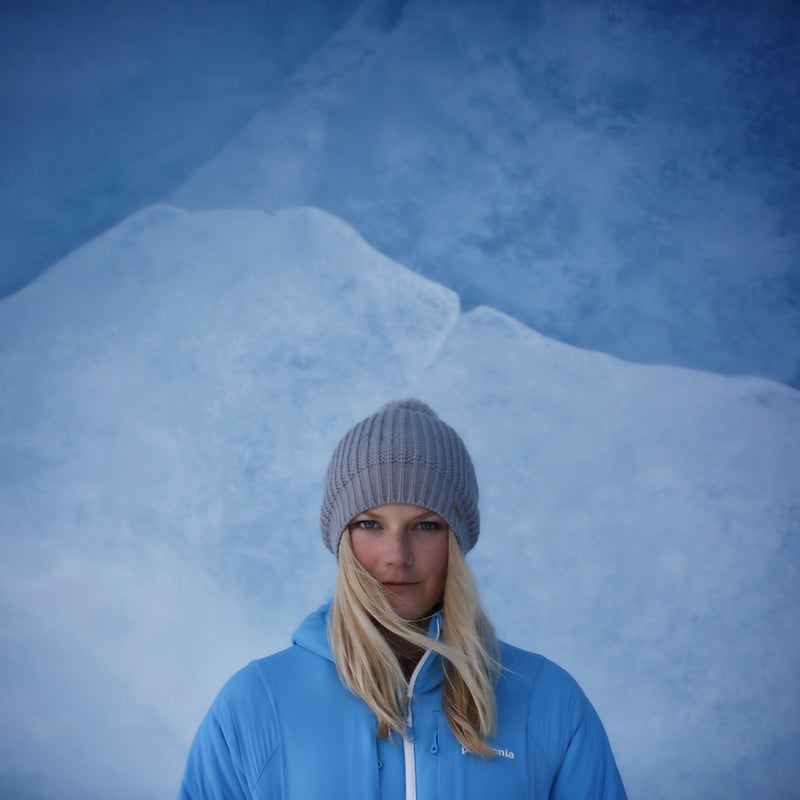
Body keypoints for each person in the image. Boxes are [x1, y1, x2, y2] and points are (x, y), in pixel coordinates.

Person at [178, 399, 627, 799]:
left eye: (426, 525)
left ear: (458, 540)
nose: (397, 556)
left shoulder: (548, 700)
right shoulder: (255, 704)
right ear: (340, 540)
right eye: (370, 525)